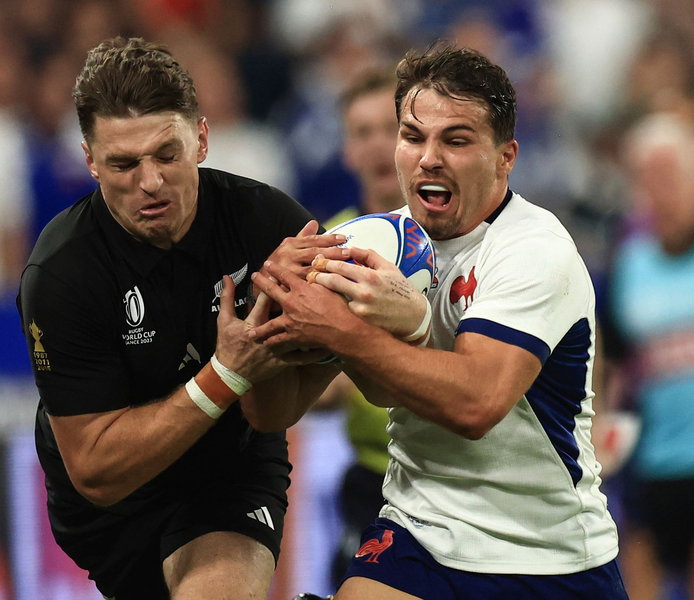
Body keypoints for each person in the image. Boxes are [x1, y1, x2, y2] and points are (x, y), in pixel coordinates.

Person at [251, 44, 627, 599]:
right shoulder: (371, 242)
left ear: (505, 157)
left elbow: (475, 405)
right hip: (418, 529)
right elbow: (271, 412)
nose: (428, 158)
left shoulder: (533, 249)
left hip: (545, 553)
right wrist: (269, 314)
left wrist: (352, 332)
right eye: (413, 136)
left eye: (456, 140)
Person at [17, 37, 345, 600]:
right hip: (112, 508)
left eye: (167, 155)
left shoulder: (269, 226)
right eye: (123, 163)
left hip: (229, 475)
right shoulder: (61, 273)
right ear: (90, 161)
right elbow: (95, 471)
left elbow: (273, 415)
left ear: (202, 139)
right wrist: (227, 373)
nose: (150, 182)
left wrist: (303, 338)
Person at [603, 110, 694, 600]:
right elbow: (612, 360)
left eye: (671, 174)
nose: (661, 191)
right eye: (648, 178)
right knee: (638, 576)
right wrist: (602, 424)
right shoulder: (630, 263)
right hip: (656, 460)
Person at [320, 67, 403, 588]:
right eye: (362, 132)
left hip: (465, 470)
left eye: (391, 129)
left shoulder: (459, 232)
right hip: (377, 474)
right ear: (347, 151)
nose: (377, 145)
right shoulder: (327, 247)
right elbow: (312, 385)